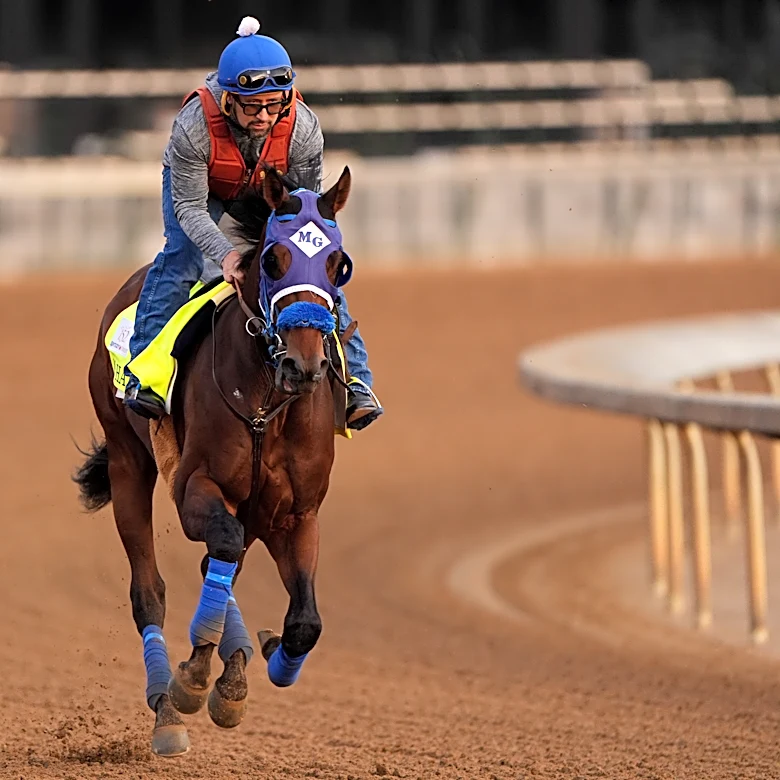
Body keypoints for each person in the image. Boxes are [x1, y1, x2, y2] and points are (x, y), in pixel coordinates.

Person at [124, 16, 382, 431]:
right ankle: (144, 376)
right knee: (184, 259)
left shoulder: (303, 129)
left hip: (266, 189)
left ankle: (356, 383)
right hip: (201, 192)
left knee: (314, 265)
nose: (264, 116)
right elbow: (189, 209)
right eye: (252, 106)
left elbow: (306, 213)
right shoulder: (193, 128)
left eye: (274, 104)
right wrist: (226, 254)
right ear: (227, 100)